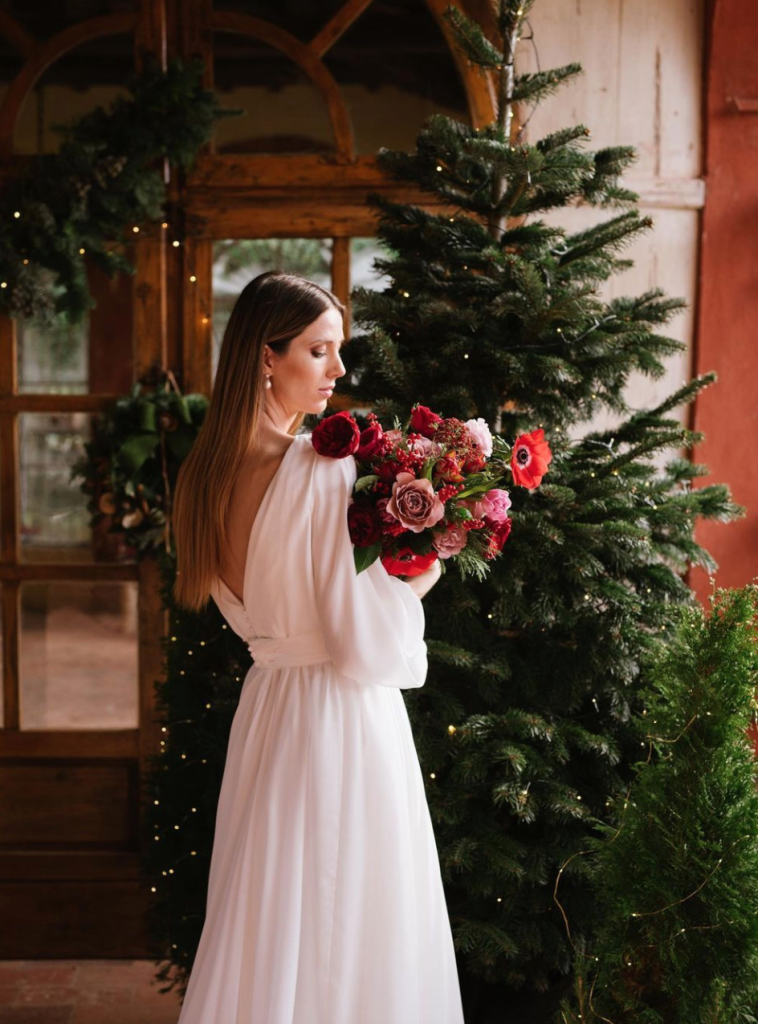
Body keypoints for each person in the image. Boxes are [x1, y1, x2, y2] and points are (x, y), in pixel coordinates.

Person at [171, 270, 463, 1023]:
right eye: (318, 349)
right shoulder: (317, 470)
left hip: (267, 711)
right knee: (352, 918)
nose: (338, 369)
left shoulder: (202, 477)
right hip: (338, 713)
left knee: (268, 909)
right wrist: (432, 567)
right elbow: (363, 637)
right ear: (265, 358)